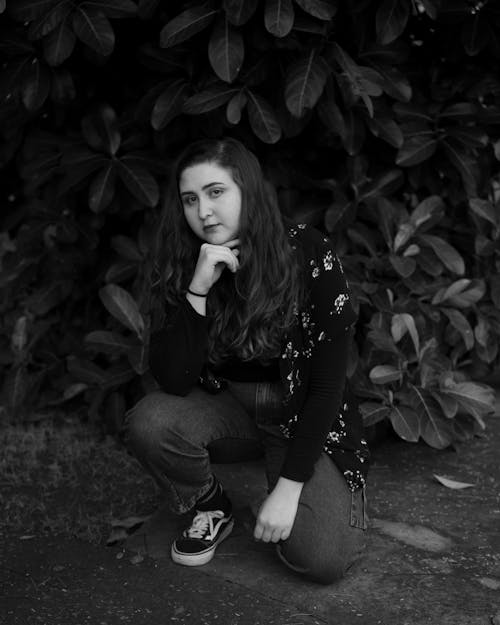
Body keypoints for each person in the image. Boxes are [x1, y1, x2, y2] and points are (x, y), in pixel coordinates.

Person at [123, 137, 369, 584]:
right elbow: (173, 381)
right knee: (150, 422)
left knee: (325, 559)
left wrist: (289, 489)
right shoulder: (184, 259)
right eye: (190, 199)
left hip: (301, 413)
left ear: (248, 191)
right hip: (230, 410)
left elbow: (328, 386)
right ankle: (210, 503)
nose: (203, 212)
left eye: (216, 192)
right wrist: (196, 290)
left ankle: (298, 488)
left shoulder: (309, 253)